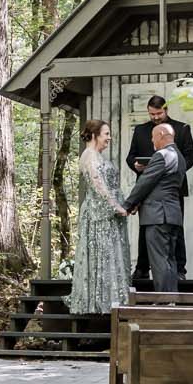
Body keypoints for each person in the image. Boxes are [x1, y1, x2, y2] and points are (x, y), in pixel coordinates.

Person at [125, 94, 193, 287]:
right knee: (147, 229)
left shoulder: (180, 129)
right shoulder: (140, 131)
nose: (155, 117)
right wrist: (136, 165)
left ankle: (180, 270)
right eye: (151, 114)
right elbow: (130, 157)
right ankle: (142, 267)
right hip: (147, 190)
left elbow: (190, 157)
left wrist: (171, 172)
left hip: (173, 188)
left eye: (159, 113)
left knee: (174, 230)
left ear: (166, 110)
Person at [69, 120, 133, 315]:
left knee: (111, 254)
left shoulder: (97, 155)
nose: (109, 138)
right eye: (106, 134)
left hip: (108, 214)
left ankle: (112, 299)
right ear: (95, 135)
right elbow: (98, 185)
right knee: (102, 254)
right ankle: (100, 303)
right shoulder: (89, 156)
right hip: (99, 214)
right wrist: (115, 206)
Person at [117, 121, 188, 295]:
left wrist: (127, 205)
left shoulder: (162, 155)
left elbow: (145, 182)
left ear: (162, 135)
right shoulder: (178, 156)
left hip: (158, 216)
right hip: (172, 214)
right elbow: (160, 184)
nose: (152, 142)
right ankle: (171, 300)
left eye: (153, 137)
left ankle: (163, 302)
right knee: (170, 261)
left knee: (159, 262)